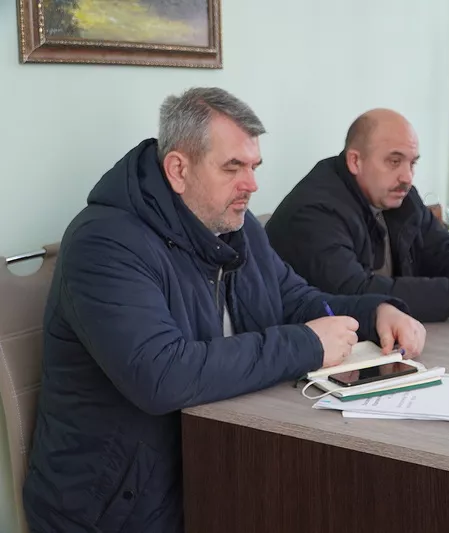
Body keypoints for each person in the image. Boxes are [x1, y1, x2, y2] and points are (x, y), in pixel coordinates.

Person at [23, 88, 426, 533]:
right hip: (116, 508)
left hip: (218, 464)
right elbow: (161, 375)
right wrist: (307, 344)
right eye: (233, 167)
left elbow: (295, 300)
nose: (251, 184)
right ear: (178, 169)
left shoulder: (236, 224)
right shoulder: (104, 244)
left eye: (254, 167)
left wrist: (375, 313)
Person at [266, 108, 449, 322]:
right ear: (355, 161)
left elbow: (440, 249)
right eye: (394, 161)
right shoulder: (314, 212)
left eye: (412, 163)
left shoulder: (398, 194)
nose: (407, 176)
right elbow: (353, 293)